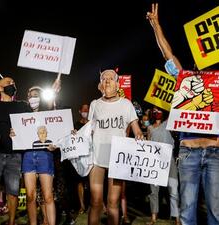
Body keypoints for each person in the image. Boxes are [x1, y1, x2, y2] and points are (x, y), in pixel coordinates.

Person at [147, 3, 219, 224]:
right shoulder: (184, 78)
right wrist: (156, 26)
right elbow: (167, 53)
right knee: (187, 211)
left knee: (216, 211)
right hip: (188, 153)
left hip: (215, 153)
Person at [88, 69, 143, 225]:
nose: (107, 80)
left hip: (118, 159)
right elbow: (88, 130)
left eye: (110, 78)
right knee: (96, 201)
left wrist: (139, 135)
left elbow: (136, 128)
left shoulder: (126, 104)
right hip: (97, 158)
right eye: (103, 78)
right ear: (100, 84)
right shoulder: (95, 104)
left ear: (118, 84)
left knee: (113, 202)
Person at [0, 77, 32, 225]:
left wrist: (21, 133)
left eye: (14, 83)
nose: (12, 85)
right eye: (8, 83)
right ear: (0, 88)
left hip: (15, 156)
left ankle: (11, 222)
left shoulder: (22, 106)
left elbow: (33, 126)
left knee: (13, 193)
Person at [22, 86, 56, 225]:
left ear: (41, 98)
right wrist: (14, 133)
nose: (32, 98)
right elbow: (19, 136)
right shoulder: (22, 115)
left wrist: (55, 144)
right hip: (28, 156)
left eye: (35, 95)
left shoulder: (49, 114)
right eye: (30, 96)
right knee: (30, 196)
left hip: (45, 156)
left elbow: (58, 133)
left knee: (47, 196)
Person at [146, 107, 180, 225]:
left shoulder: (168, 124)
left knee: (173, 189)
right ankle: (153, 217)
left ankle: (177, 218)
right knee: (153, 191)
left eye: (159, 111)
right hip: (155, 162)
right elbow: (148, 144)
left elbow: (173, 113)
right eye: (154, 111)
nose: (157, 113)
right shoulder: (150, 128)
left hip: (169, 161)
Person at [73, 104, 89, 215]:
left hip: (91, 156)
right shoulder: (75, 125)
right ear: (80, 111)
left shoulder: (93, 124)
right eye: (84, 109)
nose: (86, 111)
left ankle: (100, 204)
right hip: (79, 158)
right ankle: (82, 206)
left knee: (94, 182)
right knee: (80, 182)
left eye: (87, 109)